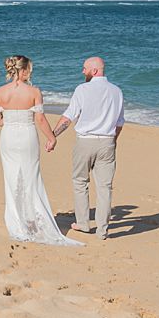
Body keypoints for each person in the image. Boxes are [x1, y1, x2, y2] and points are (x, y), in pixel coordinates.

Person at [0, 55, 82, 246]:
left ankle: (17, 222)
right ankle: (32, 220)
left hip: (7, 138)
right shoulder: (34, 92)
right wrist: (52, 137)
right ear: (22, 71)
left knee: (11, 177)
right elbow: (40, 120)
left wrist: (12, 123)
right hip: (27, 137)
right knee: (31, 177)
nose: (30, 74)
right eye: (29, 70)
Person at [50, 56, 125, 240]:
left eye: (85, 68)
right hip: (107, 141)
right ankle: (102, 229)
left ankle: (83, 223)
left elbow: (69, 116)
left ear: (94, 70)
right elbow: (120, 122)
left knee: (80, 182)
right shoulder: (116, 91)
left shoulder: (82, 89)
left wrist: (52, 136)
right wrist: (112, 140)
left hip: (85, 141)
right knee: (105, 187)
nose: (82, 71)